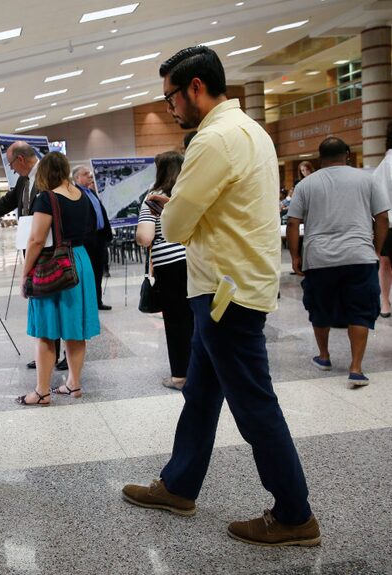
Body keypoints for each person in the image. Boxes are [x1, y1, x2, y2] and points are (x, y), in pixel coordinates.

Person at [121, 45, 320, 547]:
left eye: (170, 97)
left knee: (254, 404)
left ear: (194, 88)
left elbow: (176, 223)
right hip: (232, 285)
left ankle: (295, 514)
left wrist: (171, 210)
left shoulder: (212, 140)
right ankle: (180, 485)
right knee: (202, 392)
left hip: (224, 293)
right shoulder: (250, 130)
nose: (168, 108)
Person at [287, 137, 389, 387]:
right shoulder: (368, 179)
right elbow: (382, 218)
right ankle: (356, 367)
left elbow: (292, 222)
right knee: (360, 310)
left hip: (319, 259)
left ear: (320, 157)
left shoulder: (306, 184)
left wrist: (295, 256)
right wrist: (376, 249)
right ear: (348, 154)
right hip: (359, 256)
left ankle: (324, 357)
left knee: (319, 308)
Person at [0, 141, 67, 371]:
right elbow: (6, 203)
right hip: (34, 247)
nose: (12, 169)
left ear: (20, 159)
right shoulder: (23, 180)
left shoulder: (47, 176)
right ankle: (49, 353)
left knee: (56, 300)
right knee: (41, 301)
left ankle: (63, 353)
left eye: (11, 164)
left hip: (50, 248)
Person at [16, 152, 100, 405]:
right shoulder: (82, 194)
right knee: (75, 331)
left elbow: (37, 240)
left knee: (45, 331)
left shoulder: (46, 198)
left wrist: (24, 274)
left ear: (44, 173)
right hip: (80, 261)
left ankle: (42, 391)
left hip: (54, 265)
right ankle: (73, 384)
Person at [136, 151, 192, 391]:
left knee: (176, 320)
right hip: (196, 260)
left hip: (169, 266)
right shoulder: (190, 193)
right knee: (197, 316)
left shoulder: (154, 196)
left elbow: (145, 236)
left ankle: (180, 376)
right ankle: (205, 369)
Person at [72, 165, 113, 310]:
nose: (90, 176)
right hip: (86, 240)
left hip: (99, 238)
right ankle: (87, 303)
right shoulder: (75, 194)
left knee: (98, 271)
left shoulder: (91, 192)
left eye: (90, 173)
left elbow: (100, 213)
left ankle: (97, 301)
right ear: (77, 178)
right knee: (86, 273)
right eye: (86, 174)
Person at [372, 121, 392, 318]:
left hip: (386, 221)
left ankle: (385, 303)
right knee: (385, 262)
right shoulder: (386, 164)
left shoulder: (383, 165)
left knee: (385, 262)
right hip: (388, 220)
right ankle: (385, 302)